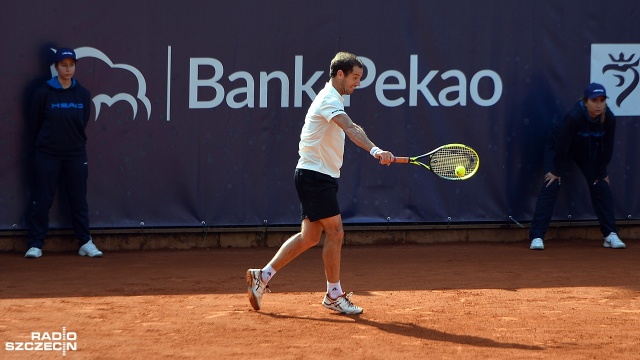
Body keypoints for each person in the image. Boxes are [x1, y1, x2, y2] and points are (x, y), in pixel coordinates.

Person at [246, 52, 394, 314]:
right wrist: (375, 150)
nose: (357, 83)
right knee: (335, 232)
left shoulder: (334, 98)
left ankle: (263, 276)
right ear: (340, 74)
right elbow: (351, 127)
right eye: (355, 77)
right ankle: (334, 294)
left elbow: (350, 126)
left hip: (317, 175)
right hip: (315, 176)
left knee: (310, 237)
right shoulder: (329, 99)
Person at [24, 48, 103, 259]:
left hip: (76, 154)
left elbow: (82, 121)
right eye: (64, 65)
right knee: (42, 199)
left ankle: (85, 242)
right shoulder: (43, 92)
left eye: (71, 65)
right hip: (47, 154)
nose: (68, 69)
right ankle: (36, 244)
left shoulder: (83, 94)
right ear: (56, 67)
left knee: (78, 199)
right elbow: (35, 123)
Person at [529, 83, 625, 250]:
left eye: (602, 100)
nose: (598, 104)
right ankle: (537, 236)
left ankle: (610, 235)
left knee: (600, 183)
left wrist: (601, 171)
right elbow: (562, 146)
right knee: (551, 183)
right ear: (585, 102)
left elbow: (607, 148)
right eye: (594, 100)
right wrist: (556, 170)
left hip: (584, 149)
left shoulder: (609, 118)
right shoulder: (574, 117)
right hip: (558, 146)